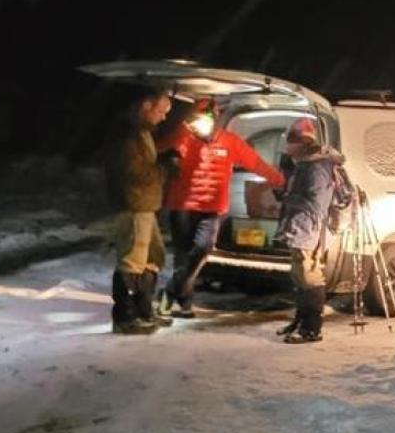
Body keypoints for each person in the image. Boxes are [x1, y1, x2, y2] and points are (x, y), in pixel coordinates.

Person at [156, 98, 285, 318]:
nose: (198, 126)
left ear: (213, 118)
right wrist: (178, 134)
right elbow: (158, 149)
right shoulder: (184, 137)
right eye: (194, 121)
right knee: (183, 255)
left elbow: (255, 162)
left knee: (202, 249)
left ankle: (168, 293)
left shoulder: (229, 141)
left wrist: (279, 180)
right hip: (183, 206)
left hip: (213, 207)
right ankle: (184, 303)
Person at [104, 85, 175, 335]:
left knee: (154, 256)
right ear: (146, 105)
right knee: (132, 261)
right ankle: (125, 317)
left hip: (145, 204)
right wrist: (165, 167)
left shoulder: (141, 131)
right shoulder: (128, 134)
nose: (164, 116)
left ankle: (144, 309)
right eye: (162, 110)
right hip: (134, 204)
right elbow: (134, 173)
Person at [274, 117, 346, 344]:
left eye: (290, 142)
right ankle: (301, 319)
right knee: (299, 274)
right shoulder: (306, 163)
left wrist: (290, 198)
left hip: (309, 227)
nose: (287, 147)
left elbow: (316, 202)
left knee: (310, 275)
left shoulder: (317, 166)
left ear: (301, 142)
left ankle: (312, 329)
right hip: (301, 224)